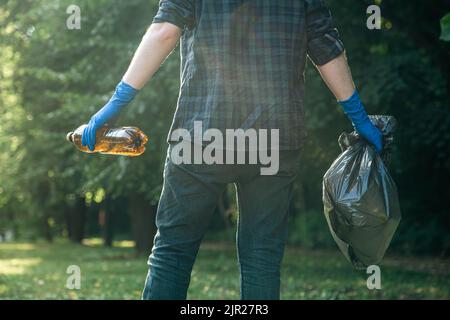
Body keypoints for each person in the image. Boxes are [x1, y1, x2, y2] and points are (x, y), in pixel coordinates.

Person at [81, 0, 383, 300]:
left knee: (172, 253)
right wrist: (358, 117)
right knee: (262, 258)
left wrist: (116, 103)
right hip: (275, 139)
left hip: (202, 134)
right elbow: (326, 48)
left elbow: (163, 32)